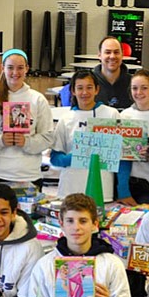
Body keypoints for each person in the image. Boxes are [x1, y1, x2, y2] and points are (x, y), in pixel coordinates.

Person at [28, 193, 131, 297]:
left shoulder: (112, 264)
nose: (76, 227)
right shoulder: (44, 265)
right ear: (61, 224)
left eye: (83, 221)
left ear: (95, 224)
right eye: (70, 221)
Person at [0, 49, 54, 189]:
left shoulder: (37, 99)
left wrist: (26, 142)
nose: (15, 73)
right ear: (2, 68)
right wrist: (0, 140)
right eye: (10, 67)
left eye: (20, 68)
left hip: (28, 173)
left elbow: (48, 137)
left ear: (27, 69)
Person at [51, 70, 120, 203]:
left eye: (89, 87)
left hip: (102, 189)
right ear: (73, 91)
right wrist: (75, 157)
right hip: (70, 189)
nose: (84, 93)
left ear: (97, 89)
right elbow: (55, 159)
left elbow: (120, 154)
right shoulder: (66, 119)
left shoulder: (111, 114)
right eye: (80, 88)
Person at [116, 69, 149, 206]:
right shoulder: (125, 115)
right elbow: (121, 157)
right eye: (134, 88)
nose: (139, 93)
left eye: (144, 88)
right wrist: (122, 189)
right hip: (128, 182)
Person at [93, 36, 132, 110]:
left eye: (116, 52)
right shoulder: (89, 83)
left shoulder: (133, 84)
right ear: (99, 55)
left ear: (122, 55)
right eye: (107, 52)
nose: (112, 56)